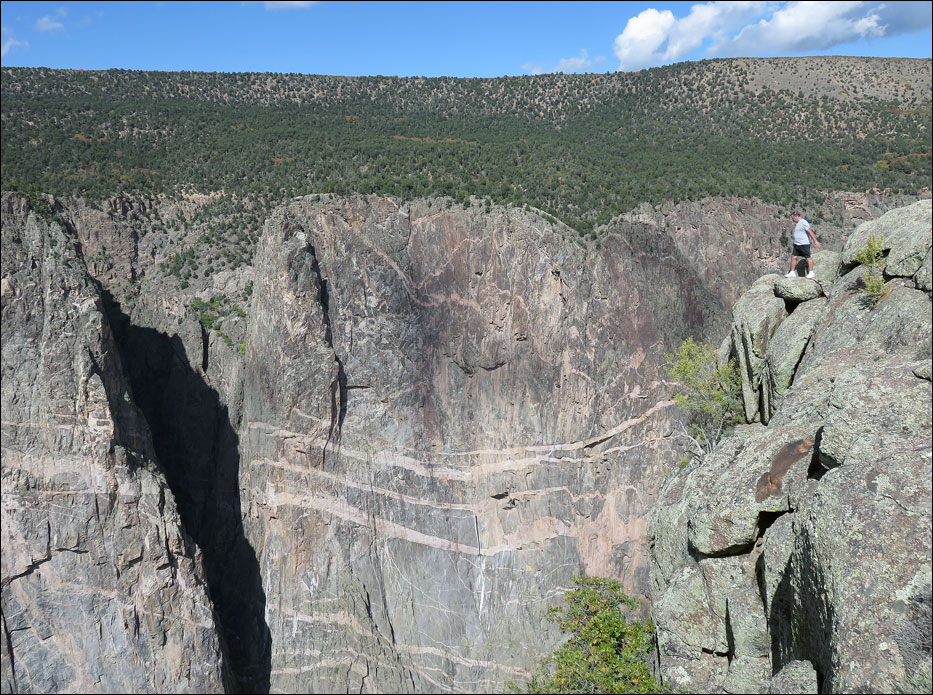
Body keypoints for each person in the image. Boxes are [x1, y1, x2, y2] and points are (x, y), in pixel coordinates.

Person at [785, 212, 822, 279]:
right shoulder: (799, 223)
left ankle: (811, 272)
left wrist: (815, 241)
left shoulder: (803, 222)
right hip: (797, 244)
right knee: (794, 257)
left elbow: (810, 231)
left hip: (804, 244)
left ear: (796, 216)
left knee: (807, 257)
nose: (792, 219)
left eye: (792, 218)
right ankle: (792, 272)